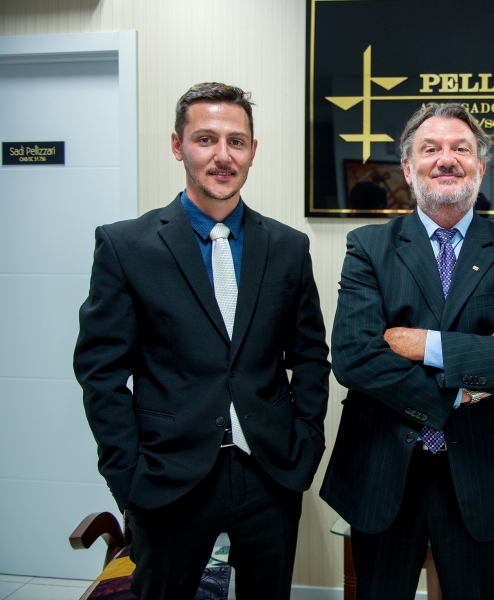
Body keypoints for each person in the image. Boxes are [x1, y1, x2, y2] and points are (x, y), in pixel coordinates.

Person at [73, 82, 330, 600]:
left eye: (236, 141)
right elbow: (101, 372)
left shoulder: (286, 246)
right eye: (205, 139)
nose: (222, 156)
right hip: (168, 477)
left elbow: (309, 357)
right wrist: (127, 476)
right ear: (178, 145)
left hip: (270, 473)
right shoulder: (126, 245)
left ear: (253, 151)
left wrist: (305, 445)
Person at [320, 102, 494, 600]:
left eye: (461, 149)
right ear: (408, 169)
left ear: (480, 167)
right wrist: (464, 389)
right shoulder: (369, 247)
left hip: (486, 477)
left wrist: (424, 344)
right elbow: (354, 357)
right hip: (383, 473)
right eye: (430, 149)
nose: (446, 159)